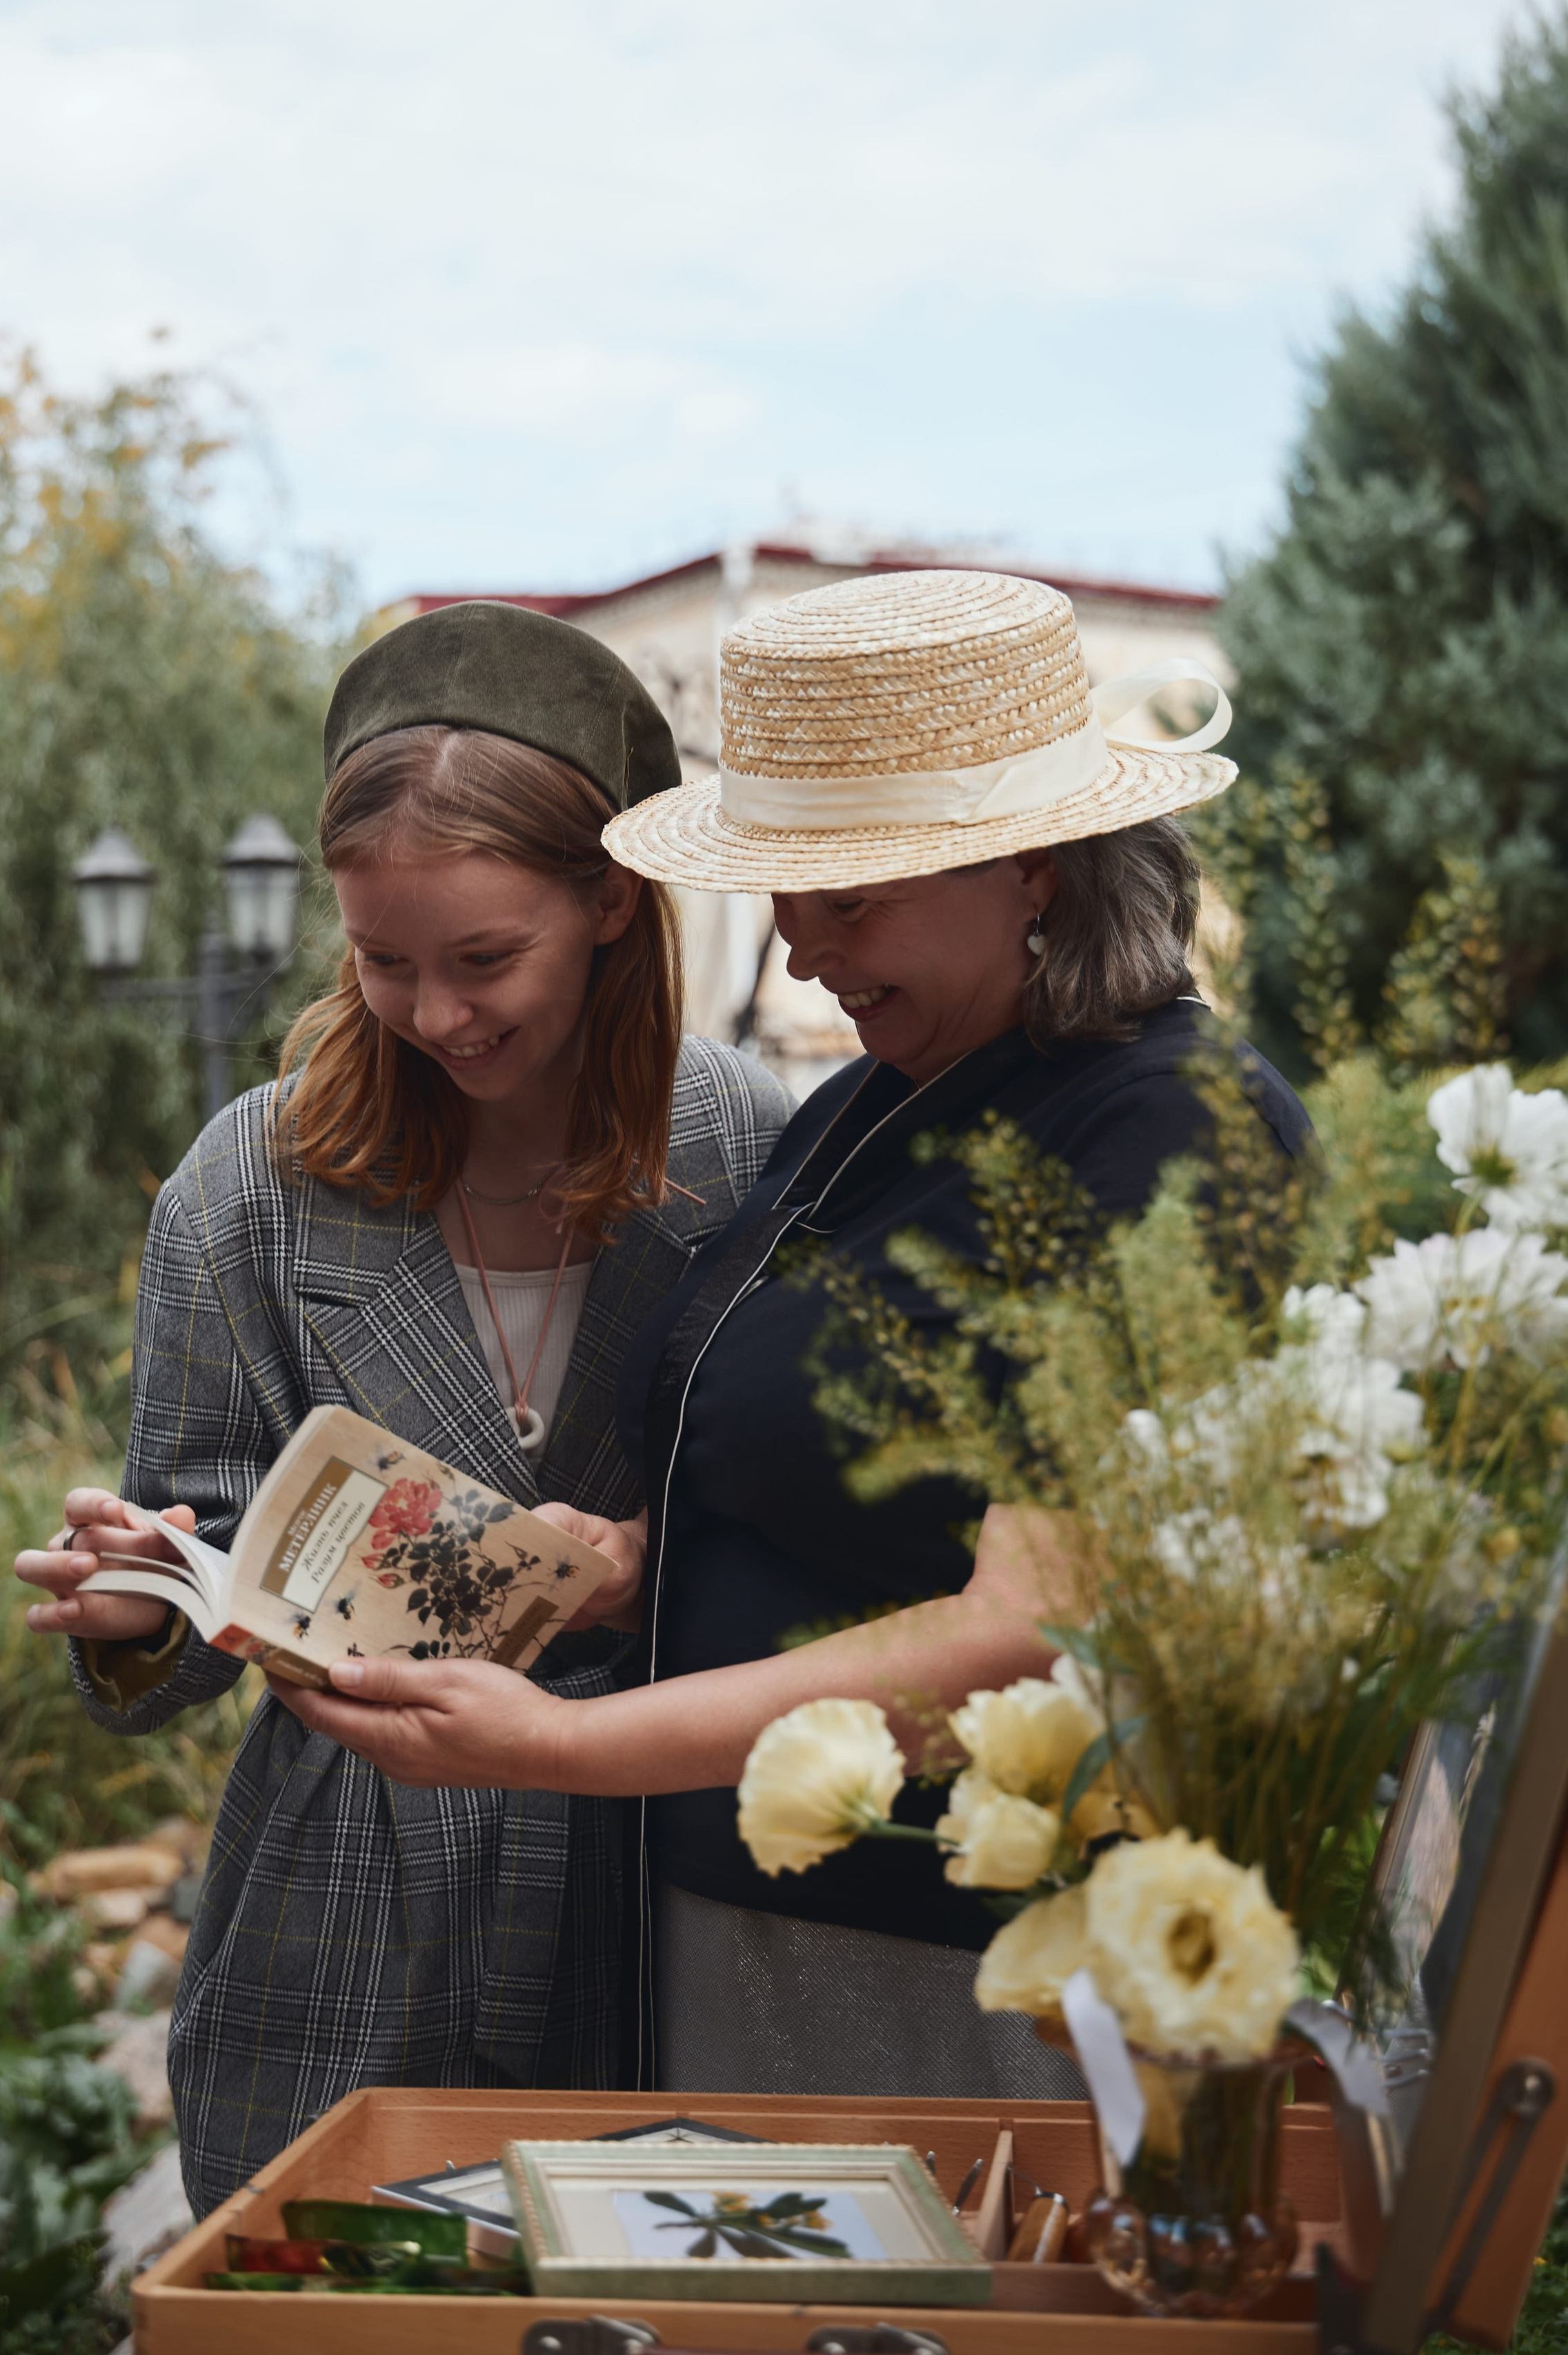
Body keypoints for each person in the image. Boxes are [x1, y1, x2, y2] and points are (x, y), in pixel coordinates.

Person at [271, 568, 1311, 2101]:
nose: (805, 948)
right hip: (745, 1927)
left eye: (854, 895)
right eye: (783, 892)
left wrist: (545, 1748)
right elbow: (823, 1499)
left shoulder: (1173, 1127)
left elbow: (1026, 1623)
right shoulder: (865, 1104)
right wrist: (629, 1564)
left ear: (1032, 867)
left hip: (968, 1963)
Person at [12, 603, 790, 2214]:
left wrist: (650, 1563)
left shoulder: (743, 1149)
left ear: (609, 904)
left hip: (649, 1907)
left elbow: (810, 1554)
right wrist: (137, 1598)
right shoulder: (250, 1184)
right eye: (382, 962)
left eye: (484, 957)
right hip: (342, 1928)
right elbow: (192, 1585)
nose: (434, 1013)